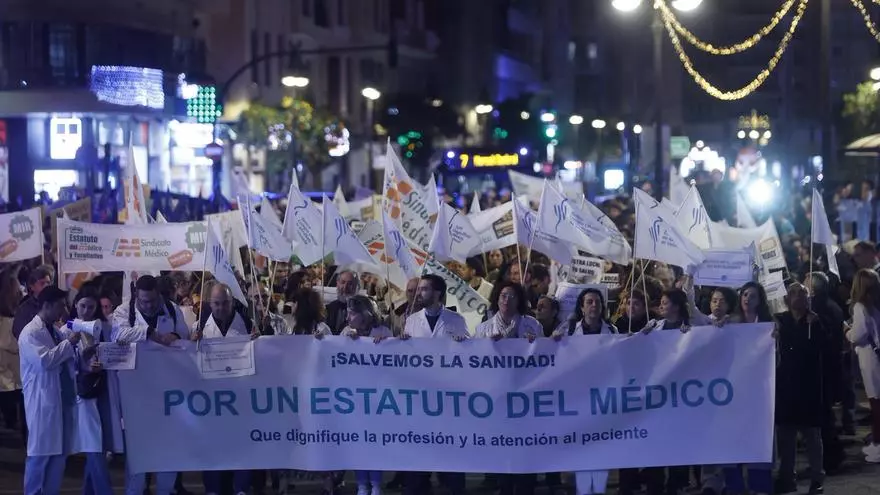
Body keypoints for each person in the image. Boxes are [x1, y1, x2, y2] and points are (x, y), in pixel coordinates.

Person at [111, 275, 189, 495]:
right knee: (138, 456)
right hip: (137, 396)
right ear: (136, 296)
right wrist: (151, 334)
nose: (149, 305)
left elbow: (184, 335)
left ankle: (166, 490)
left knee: (168, 452)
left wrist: (174, 335)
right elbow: (118, 334)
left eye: (153, 301)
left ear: (159, 294)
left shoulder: (172, 310)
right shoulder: (123, 311)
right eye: (144, 301)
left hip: (168, 394)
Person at [401, 274, 468, 495]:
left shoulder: (456, 321)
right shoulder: (411, 320)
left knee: (450, 452)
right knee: (419, 451)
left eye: (425, 289)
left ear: (438, 293)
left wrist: (464, 345)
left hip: (447, 398)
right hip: (420, 398)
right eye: (419, 289)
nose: (419, 293)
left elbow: (470, 356)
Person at [19, 286, 77, 495]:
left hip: (62, 399)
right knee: (39, 456)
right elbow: (44, 362)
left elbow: (66, 360)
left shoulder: (54, 331)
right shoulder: (30, 333)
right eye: (60, 306)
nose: (63, 310)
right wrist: (68, 345)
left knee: (59, 455)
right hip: (43, 403)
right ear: (47, 305)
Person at [775, 282, 829, 494]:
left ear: (809, 298)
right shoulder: (779, 321)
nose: (798, 297)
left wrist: (817, 326)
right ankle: (787, 476)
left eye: (802, 293)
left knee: (812, 437)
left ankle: (817, 478)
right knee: (786, 438)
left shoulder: (815, 322)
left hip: (809, 388)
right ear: (787, 299)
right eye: (793, 293)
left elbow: (827, 349)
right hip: (786, 388)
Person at [69, 288, 116, 495]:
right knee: (94, 447)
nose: (86, 311)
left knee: (98, 446)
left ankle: (88, 491)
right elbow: (64, 364)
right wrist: (85, 368)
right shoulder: (67, 330)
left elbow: (115, 352)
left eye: (91, 307)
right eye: (82, 306)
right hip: (83, 395)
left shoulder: (105, 327)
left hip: (104, 391)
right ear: (75, 305)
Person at [846, 269, 880, 463]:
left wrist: (847, 332)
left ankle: (878, 446)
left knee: (876, 404)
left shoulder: (861, 306)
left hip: (872, 360)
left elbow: (859, 336)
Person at [476, 281, 541, 341]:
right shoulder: (482, 329)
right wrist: (489, 344)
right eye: (503, 296)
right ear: (497, 298)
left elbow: (543, 348)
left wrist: (535, 343)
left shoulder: (533, 325)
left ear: (519, 301)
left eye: (512, 297)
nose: (507, 300)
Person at [12, 265, 53, 339]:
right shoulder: (24, 310)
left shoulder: (55, 304)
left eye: (48, 283)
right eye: (42, 283)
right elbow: (21, 335)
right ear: (32, 287)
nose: (47, 286)